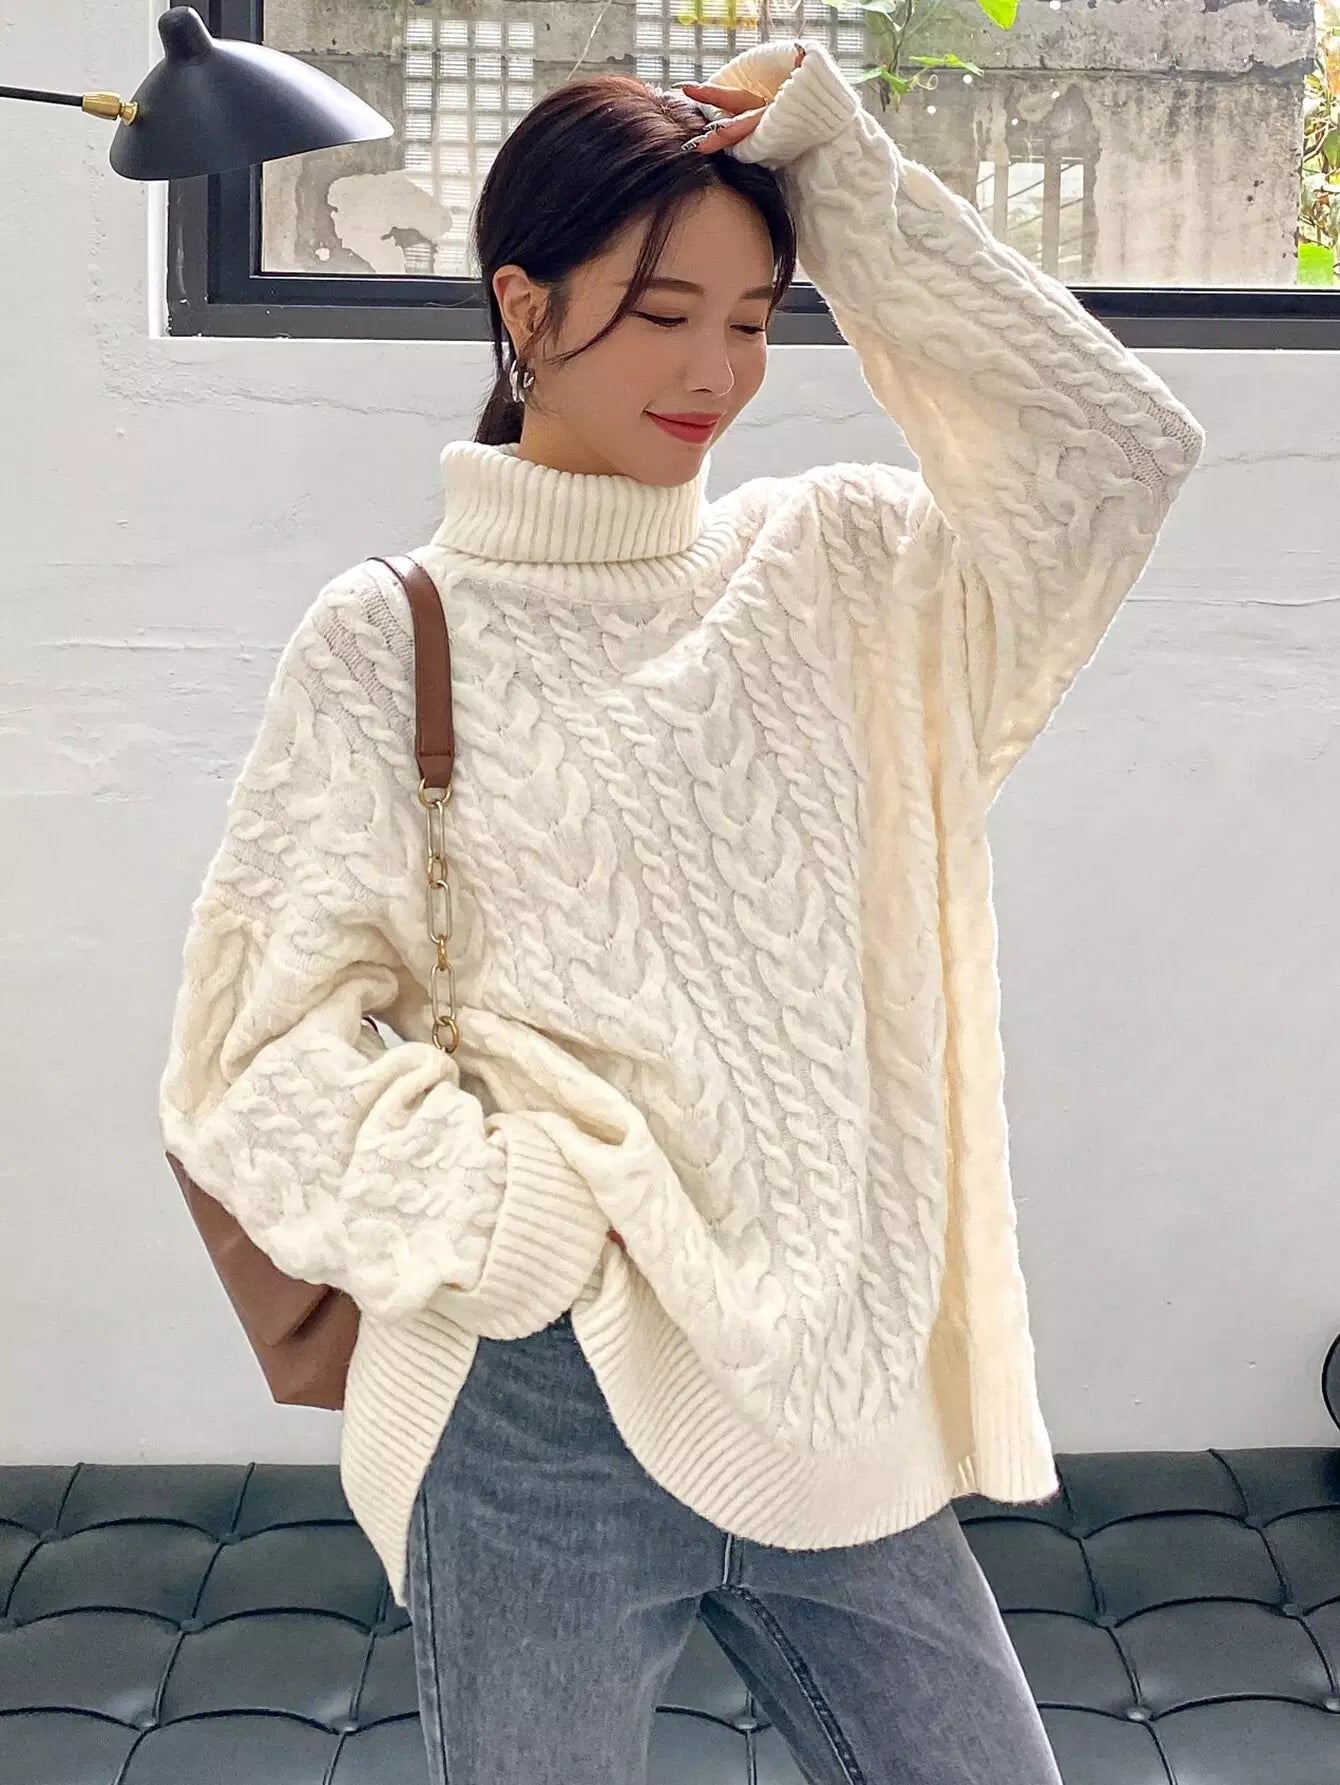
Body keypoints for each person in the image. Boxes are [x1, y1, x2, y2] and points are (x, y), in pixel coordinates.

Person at [157, 35, 1205, 1785]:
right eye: (660, 313)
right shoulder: (392, 634)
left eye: (755, 315)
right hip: (536, 1409)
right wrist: (514, 1221)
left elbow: (1117, 452)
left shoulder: (852, 574)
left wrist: (845, 178)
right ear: (525, 304)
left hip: (829, 1388)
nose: (716, 369)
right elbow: (251, 1052)